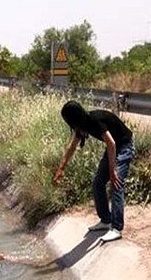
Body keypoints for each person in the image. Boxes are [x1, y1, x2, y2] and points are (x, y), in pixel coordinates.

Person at [53, 100, 135, 242]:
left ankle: (116, 229)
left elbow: (112, 143)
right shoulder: (83, 125)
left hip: (124, 147)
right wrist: (60, 169)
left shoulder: (95, 120)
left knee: (116, 184)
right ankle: (106, 220)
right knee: (98, 183)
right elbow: (71, 147)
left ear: (73, 118)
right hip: (113, 149)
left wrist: (112, 171)